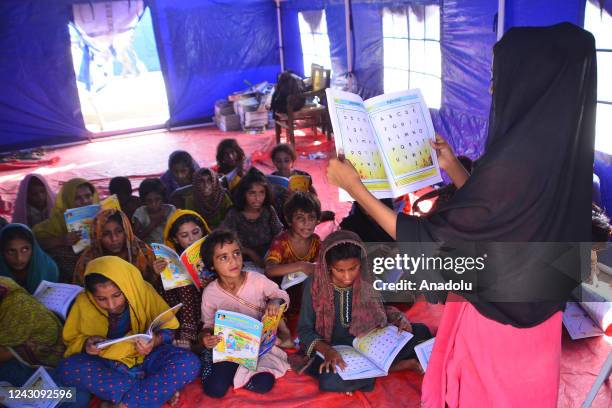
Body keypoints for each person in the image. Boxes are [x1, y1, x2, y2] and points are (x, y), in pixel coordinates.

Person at [326, 23, 595, 407]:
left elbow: (429, 241)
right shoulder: (561, 151)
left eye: (497, 77)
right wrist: (454, 167)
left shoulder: (513, 161)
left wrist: (355, 189)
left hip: (498, 326)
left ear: (527, 81)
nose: (490, 89)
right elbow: (504, 216)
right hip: (540, 318)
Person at [296, 230, 431, 393]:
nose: (347, 277)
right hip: (333, 347)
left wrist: (399, 318)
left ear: (361, 262)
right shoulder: (314, 285)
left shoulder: (365, 277)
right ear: (328, 266)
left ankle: (374, 369)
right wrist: (328, 351)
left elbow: (380, 309)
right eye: (339, 270)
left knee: (421, 331)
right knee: (329, 380)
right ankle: (398, 366)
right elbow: (304, 329)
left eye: (353, 268)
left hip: (368, 339)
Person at [56, 256, 200, 407]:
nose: (111, 305)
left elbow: (169, 330)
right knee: (67, 368)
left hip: (148, 357)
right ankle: (150, 393)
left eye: (117, 295)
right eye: (101, 299)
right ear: (92, 295)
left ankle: (128, 400)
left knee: (189, 362)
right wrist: (87, 344)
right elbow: (73, 340)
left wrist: (153, 342)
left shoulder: (142, 290)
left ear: (127, 287)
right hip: (108, 363)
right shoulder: (84, 302)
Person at [199, 229, 290, 397]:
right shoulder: (210, 293)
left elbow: (282, 295)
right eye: (223, 257)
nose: (233, 261)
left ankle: (240, 375)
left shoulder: (256, 279)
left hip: (260, 347)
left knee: (264, 383)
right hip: (230, 348)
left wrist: (275, 302)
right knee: (214, 390)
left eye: (236, 253)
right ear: (212, 264)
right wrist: (206, 337)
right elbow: (208, 325)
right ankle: (235, 373)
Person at [265, 192, 321, 340]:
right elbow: (270, 270)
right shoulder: (281, 242)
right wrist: (301, 266)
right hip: (283, 295)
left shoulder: (316, 241)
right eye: (300, 218)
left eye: (311, 218)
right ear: (289, 221)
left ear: (317, 220)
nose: (307, 223)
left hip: (306, 295)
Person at [153, 209, 210, 347]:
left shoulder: (214, 250)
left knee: (187, 284)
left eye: (195, 232)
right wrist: (157, 274)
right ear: (175, 239)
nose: (192, 239)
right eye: (184, 235)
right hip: (183, 306)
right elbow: (159, 293)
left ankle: (189, 337)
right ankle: (186, 335)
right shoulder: (172, 259)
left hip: (208, 300)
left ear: (203, 231)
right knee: (181, 281)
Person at [33, 178, 100, 282]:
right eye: (77, 198)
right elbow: (33, 244)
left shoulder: (102, 218)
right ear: (67, 199)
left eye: (88, 196)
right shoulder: (52, 225)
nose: (85, 202)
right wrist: (61, 240)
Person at [73, 209, 156, 285]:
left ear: (126, 231)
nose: (114, 238)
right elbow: (81, 291)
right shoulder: (88, 261)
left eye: (119, 231)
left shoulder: (143, 253)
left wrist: (156, 273)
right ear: (98, 236)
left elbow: (155, 286)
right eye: (106, 234)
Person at [222, 168, 283, 268]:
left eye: (261, 192)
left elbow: (279, 235)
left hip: (270, 257)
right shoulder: (234, 214)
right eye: (252, 193)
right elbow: (227, 241)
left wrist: (272, 256)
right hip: (242, 260)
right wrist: (250, 253)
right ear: (243, 194)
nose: (258, 198)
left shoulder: (268, 210)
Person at [0, 223, 59, 293]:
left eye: (25, 249)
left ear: (33, 248)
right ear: (2, 251)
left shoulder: (48, 269)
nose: (19, 258)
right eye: (11, 251)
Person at [132, 178, 176, 245]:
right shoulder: (140, 213)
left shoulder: (171, 210)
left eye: (157, 199)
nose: (154, 204)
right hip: (150, 250)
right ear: (143, 200)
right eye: (149, 201)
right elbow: (134, 238)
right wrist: (152, 225)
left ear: (163, 197)